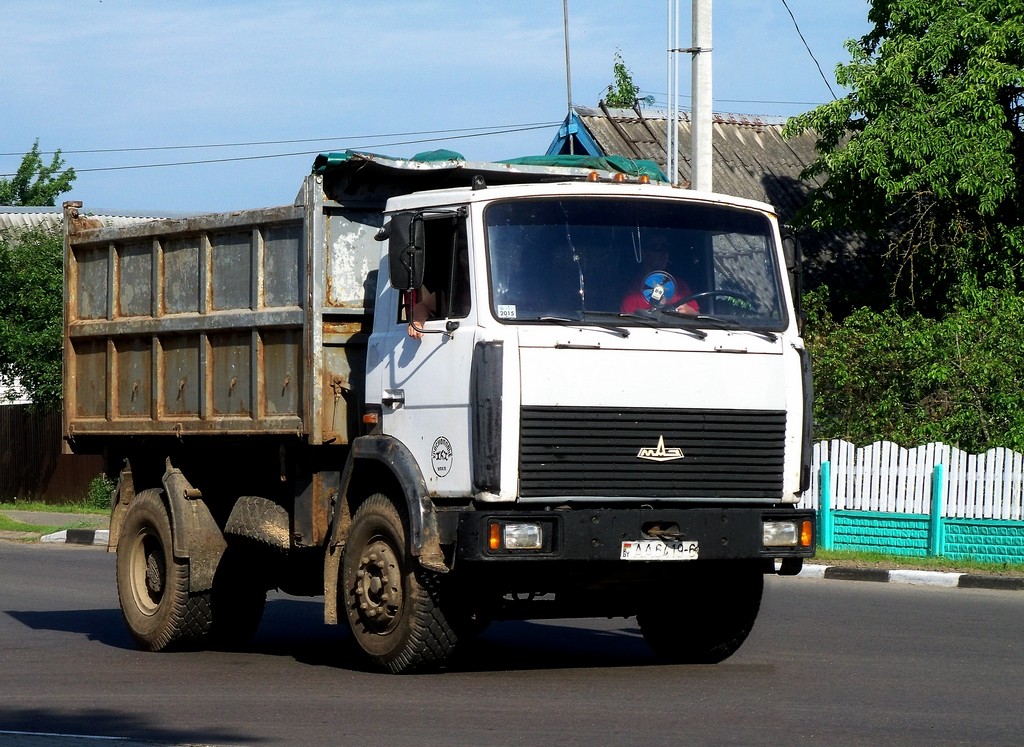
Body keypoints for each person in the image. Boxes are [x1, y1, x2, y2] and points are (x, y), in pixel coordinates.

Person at [620, 241, 699, 315]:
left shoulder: (679, 286)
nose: (663, 253)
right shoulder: (632, 290)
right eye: (656, 248)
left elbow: (699, 317)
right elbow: (629, 324)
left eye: (665, 248)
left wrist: (690, 313)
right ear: (643, 253)